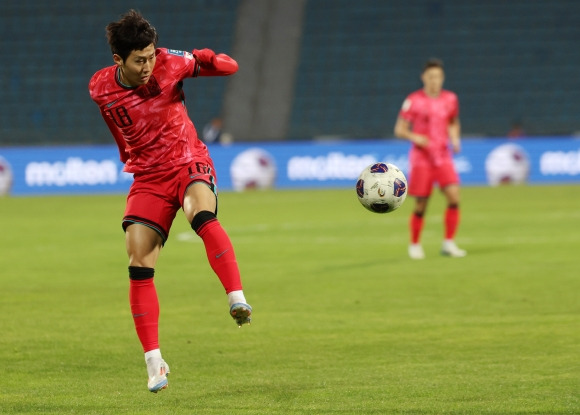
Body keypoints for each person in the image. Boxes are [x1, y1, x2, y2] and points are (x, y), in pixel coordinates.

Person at [88, 10, 252, 393]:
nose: (148, 66)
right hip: (148, 175)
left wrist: (209, 58)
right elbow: (116, 124)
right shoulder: (99, 86)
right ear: (119, 61)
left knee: (201, 214)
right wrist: (125, 156)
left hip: (188, 161)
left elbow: (230, 68)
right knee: (138, 258)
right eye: (139, 60)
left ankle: (236, 298)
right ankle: (154, 362)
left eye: (150, 56)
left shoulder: (170, 62)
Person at [394, 58, 466, 259]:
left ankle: (448, 243)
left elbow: (452, 121)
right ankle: (415, 244)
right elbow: (399, 130)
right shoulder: (413, 100)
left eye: (438, 77)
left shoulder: (450, 99)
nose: (435, 80)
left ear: (443, 78)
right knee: (421, 205)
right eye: (431, 76)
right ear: (423, 78)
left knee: (454, 196)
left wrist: (455, 139)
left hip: (442, 155)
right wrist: (414, 136)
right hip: (422, 158)